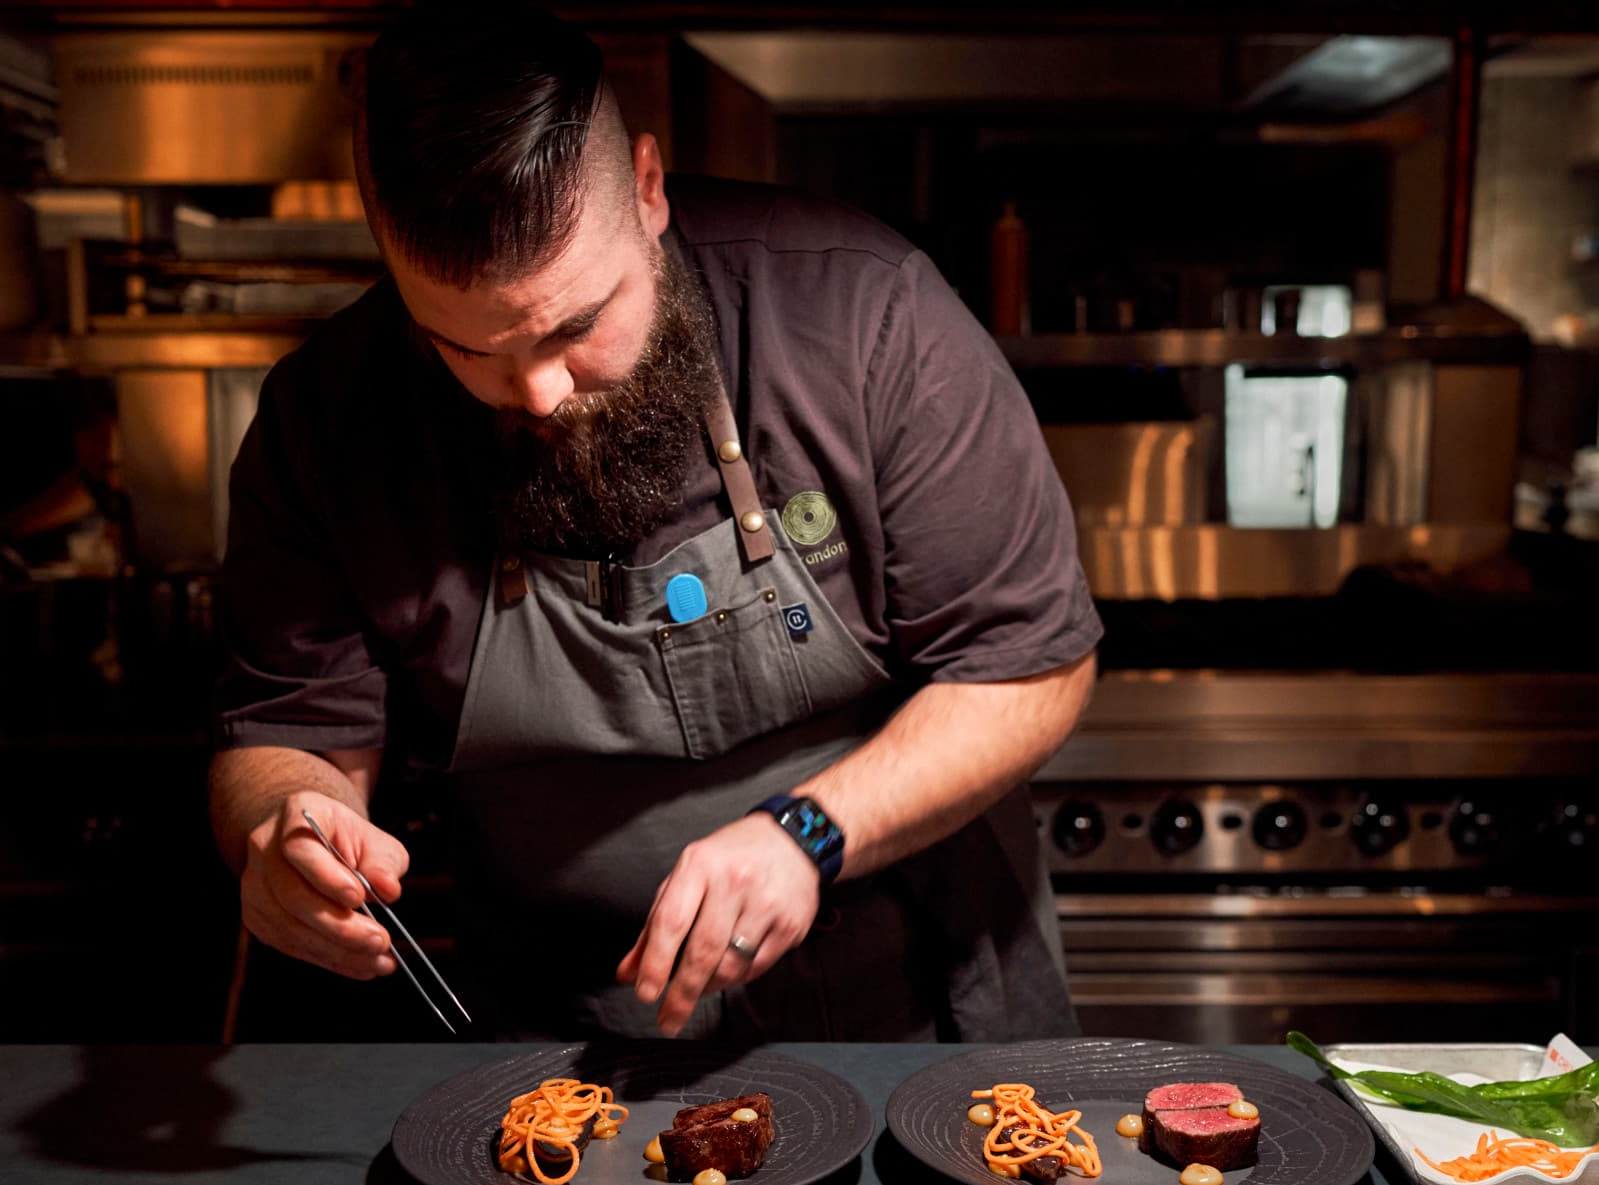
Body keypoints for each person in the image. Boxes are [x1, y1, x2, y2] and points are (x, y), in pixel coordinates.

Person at [209, 5, 1101, 1041]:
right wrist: (284, 828)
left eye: (576, 326)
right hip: (550, 1028)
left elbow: (1030, 668)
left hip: (917, 1001)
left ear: (646, 187)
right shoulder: (327, 419)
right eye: (465, 350)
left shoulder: (862, 313)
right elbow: (287, 736)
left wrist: (806, 831)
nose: (537, 393)